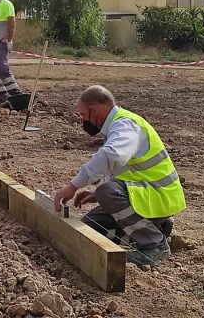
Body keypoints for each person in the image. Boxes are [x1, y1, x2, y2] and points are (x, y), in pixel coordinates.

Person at [53, 85, 187, 266]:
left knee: (107, 191)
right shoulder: (116, 126)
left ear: (94, 109)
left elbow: (112, 156)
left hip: (160, 198)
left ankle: (155, 243)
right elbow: (125, 169)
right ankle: (156, 226)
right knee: (90, 226)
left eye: (83, 115)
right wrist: (96, 196)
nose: (83, 121)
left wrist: (73, 186)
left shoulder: (125, 124)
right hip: (149, 196)